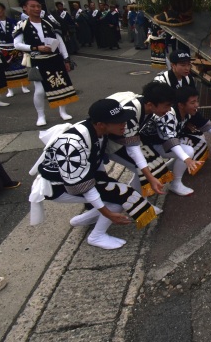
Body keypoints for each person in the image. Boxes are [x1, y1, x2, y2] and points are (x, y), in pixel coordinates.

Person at [30, 98, 162, 250]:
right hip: (59, 186)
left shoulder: (99, 131)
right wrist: (108, 214)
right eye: (119, 121)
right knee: (118, 198)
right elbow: (83, 186)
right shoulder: (72, 144)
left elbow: (99, 161)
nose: (124, 124)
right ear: (101, 124)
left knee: (115, 191)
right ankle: (96, 236)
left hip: (82, 177)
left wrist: (148, 178)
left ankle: (82, 220)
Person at [13, 0, 77, 126]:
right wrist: (35, 47)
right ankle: (41, 115)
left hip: (54, 59)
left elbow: (60, 43)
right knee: (40, 90)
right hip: (37, 60)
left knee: (61, 86)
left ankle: (63, 111)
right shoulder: (22, 25)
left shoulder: (49, 23)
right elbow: (17, 44)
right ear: (25, 8)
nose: (36, 9)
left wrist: (66, 59)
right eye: (33, 6)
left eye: (38, 6)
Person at [106, 82, 176, 197]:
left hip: (129, 138)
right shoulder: (132, 113)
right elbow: (132, 150)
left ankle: (139, 198)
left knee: (153, 163)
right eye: (166, 106)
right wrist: (149, 177)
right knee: (143, 169)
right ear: (150, 104)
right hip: (113, 145)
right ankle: (139, 201)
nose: (168, 110)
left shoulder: (146, 106)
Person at [140, 87, 210, 196]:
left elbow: (170, 139)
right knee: (138, 170)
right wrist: (187, 159)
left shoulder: (171, 111)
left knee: (189, 149)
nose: (168, 109)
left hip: (156, 144)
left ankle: (175, 181)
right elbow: (170, 139)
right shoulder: (166, 113)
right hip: (141, 146)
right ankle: (142, 201)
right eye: (167, 105)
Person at [0, 2, 29, 100]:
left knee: (20, 66)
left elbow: (19, 33)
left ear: (3, 10)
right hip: (2, 48)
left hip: (14, 46)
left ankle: (23, 85)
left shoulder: (13, 21)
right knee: (6, 69)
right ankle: (10, 89)